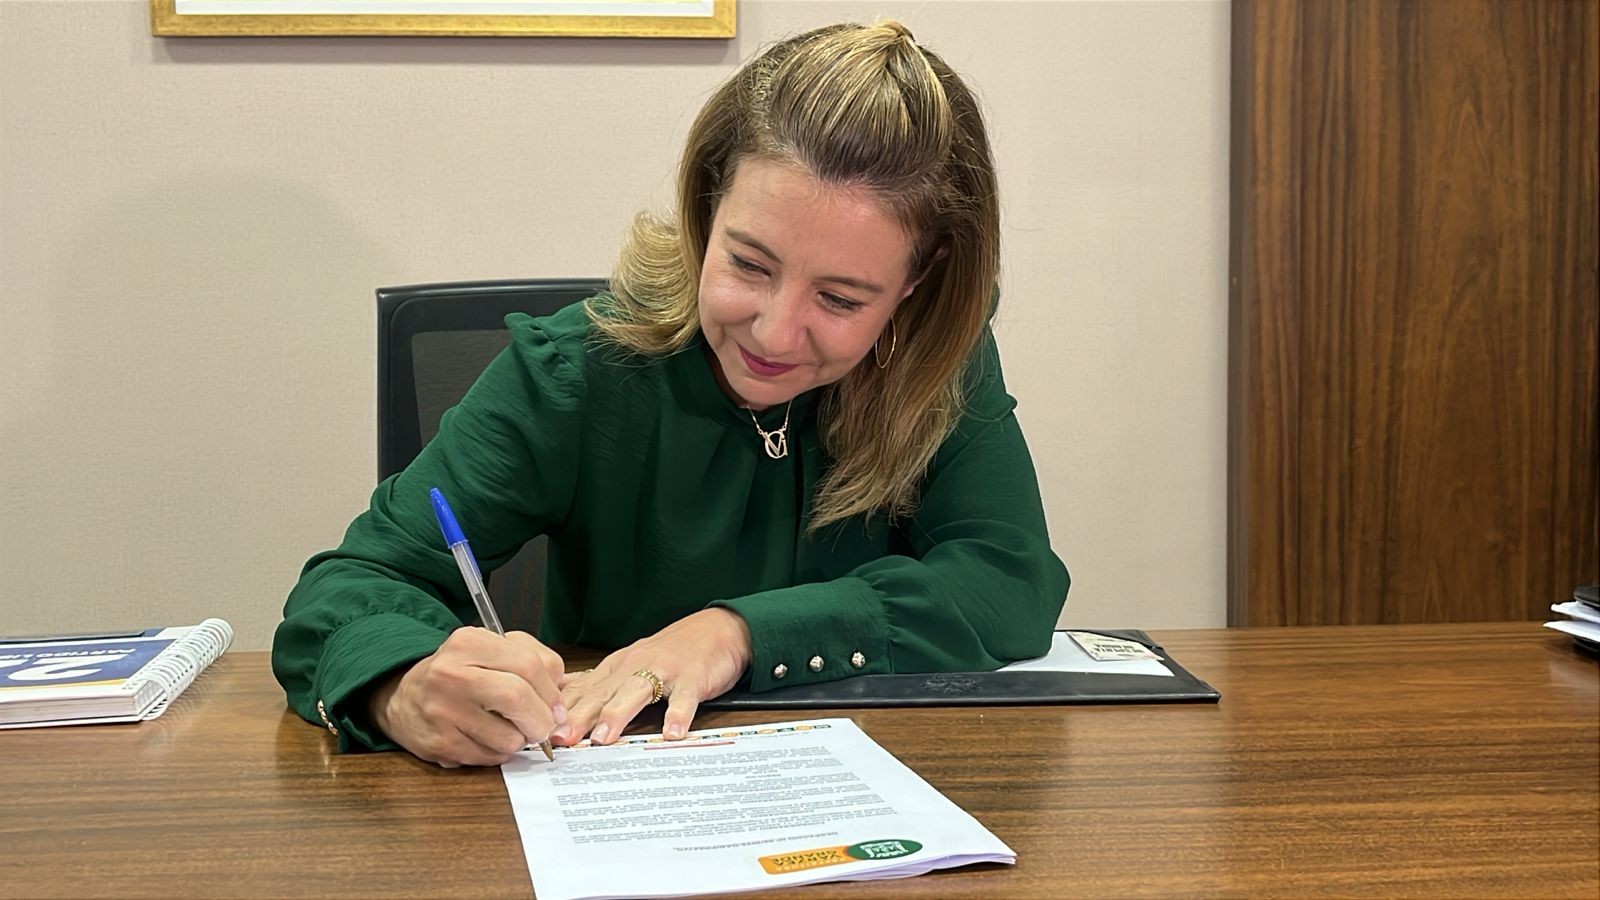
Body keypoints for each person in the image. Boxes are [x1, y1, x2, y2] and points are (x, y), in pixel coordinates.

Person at [273, 20, 1069, 768]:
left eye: (840, 299)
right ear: (706, 206)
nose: (773, 334)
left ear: (917, 281)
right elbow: (348, 588)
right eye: (749, 264)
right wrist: (401, 684)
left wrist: (737, 633)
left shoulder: (937, 360)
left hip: (876, 791)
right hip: (615, 783)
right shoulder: (576, 369)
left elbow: (1009, 579)